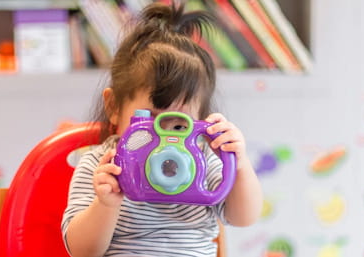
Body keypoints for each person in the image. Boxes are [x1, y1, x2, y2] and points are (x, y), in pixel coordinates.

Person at [61, 2, 263, 256]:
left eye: (179, 126)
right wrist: (106, 204)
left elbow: (244, 217)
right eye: (149, 122)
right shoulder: (101, 166)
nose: (164, 141)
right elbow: (81, 251)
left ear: (200, 122)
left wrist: (239, 164)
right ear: (114, 107)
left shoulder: (200, 161)